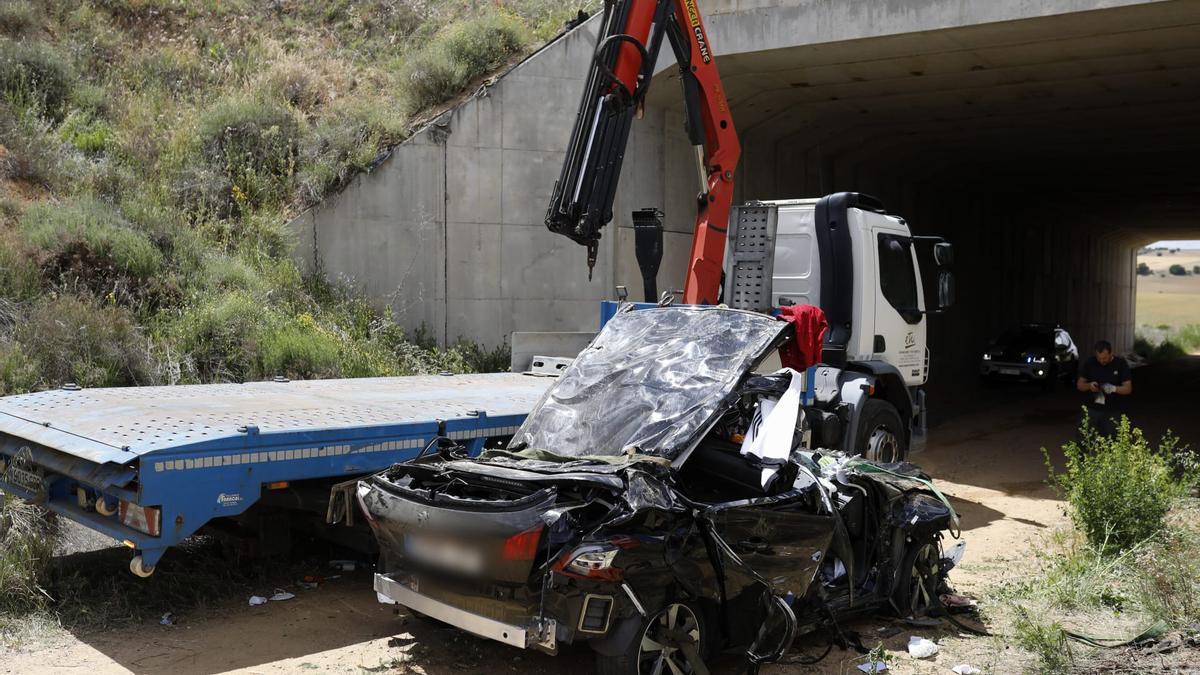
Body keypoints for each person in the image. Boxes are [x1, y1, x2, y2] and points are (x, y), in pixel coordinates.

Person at [1076, 340, 1132, 436]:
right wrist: (1089, 386)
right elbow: (1079, 385)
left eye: (1105, 358)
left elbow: (1128, 389)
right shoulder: (1090, 363)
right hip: (1092, 409)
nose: (1102, 361)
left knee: (1112, 440)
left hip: (1112, 410)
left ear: (1111, 353)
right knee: (1085, 438)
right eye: (1099, 358)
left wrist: (1113, 388)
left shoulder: (1120, 364)